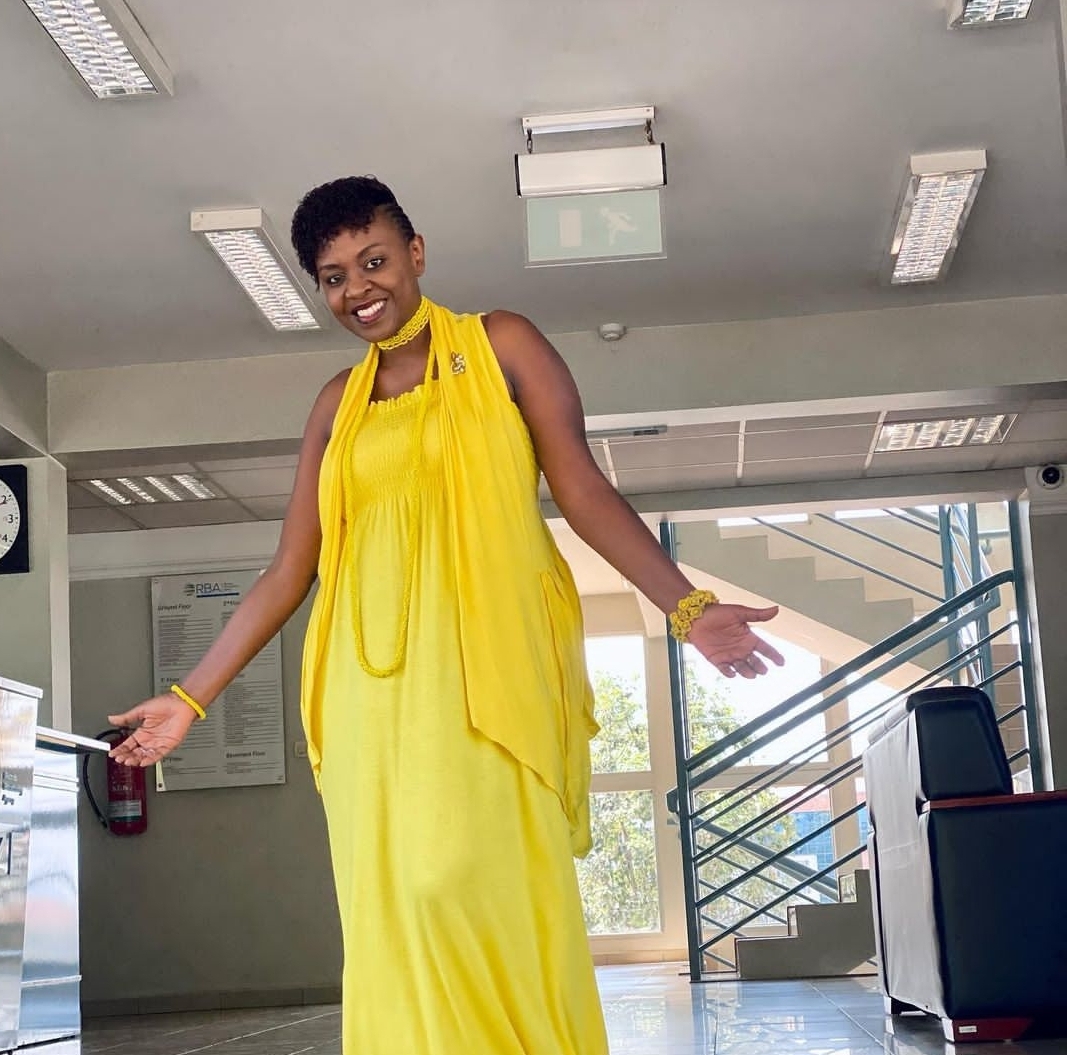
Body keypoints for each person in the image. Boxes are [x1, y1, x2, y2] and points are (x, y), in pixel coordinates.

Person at [108, 176, 784, 1055]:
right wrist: (188, 699)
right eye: (334, 277)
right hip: (366, 688)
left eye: (374, 261)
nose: (358, 289)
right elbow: (288, 569)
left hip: (484, 674)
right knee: (392, 902)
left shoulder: (501, 343)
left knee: (459, 878)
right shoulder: (335, 405)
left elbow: (580, 488)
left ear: (415, 253)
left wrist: (686, 607)